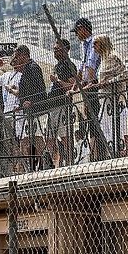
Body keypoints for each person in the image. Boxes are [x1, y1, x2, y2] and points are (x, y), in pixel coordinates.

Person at [69, 17, 107, 160]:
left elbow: (91, 66)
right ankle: (94, 153)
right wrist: (74, 88)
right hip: (87, 86)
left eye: (77, 31)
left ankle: (98, 154)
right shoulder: (85, 45)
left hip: (94, 85)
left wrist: (87, 86)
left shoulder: (93, 43)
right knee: (90, 118)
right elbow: (81, 68)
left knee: (95, 117)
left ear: (83, 29)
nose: (76, 35)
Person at [91, 34, 128, 155]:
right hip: (106, 99)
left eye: (95, 44)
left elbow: (125, 75)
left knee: (120, 124)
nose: (93, 47)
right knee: (106, 125)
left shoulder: (113, 57)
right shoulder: (103, 59)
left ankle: (124, 150)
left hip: (115, 98)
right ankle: (115, 149)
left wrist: (107, 83)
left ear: (102, 43)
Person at [12, 45, 47, 170]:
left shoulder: (33, 68)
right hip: (29, 111)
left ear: (24, 55)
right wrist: (22, 105)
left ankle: (44, 162)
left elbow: (40, 89)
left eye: (17, 56)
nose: (16, 59)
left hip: (37, 110)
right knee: (29, 140)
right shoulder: (26, 69)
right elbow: (25, 91)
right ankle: (35, 166)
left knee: (37, 139)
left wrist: (31, 101)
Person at [46, 39, 78, 167]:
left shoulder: (68, 65)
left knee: (65, 136)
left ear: (66, 50)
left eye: (58, 49)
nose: (55, 52)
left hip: (63, 105)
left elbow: (72, 86)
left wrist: (57, 80)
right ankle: (57, 162)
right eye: (54, 50)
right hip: (53, 106)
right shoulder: (57, 65)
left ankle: (71, 162)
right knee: (49, 138)